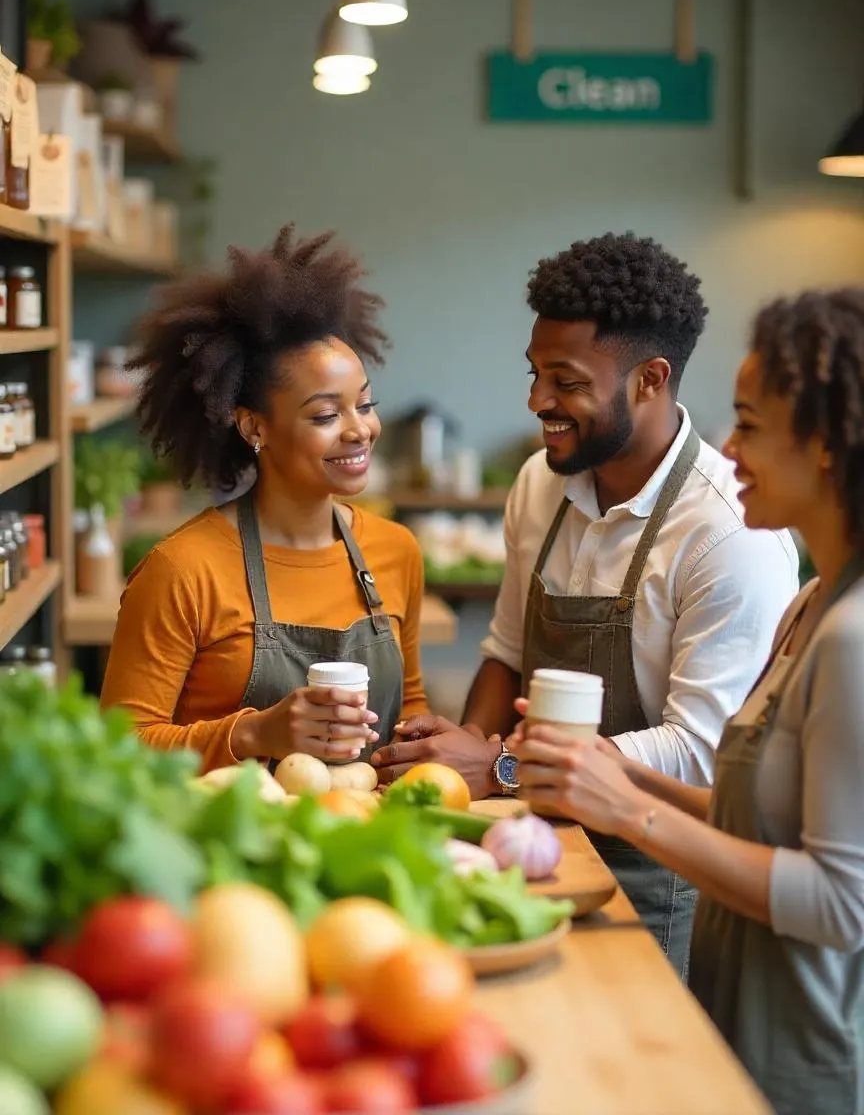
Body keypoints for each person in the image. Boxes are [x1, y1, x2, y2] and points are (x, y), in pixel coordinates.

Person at [372, 233, 799, 974]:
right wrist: (459, 763)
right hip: (535, 851)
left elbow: (702, 757)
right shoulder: (541, 483)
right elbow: (507, 650)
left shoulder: (729, 532)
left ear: (650, 379)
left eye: (565, 381)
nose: (538, 402)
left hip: (660, 882)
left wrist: (501, 766)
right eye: (536, 374)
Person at [512, 288, 864, 1115]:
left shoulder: (851, 638)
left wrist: (632, 815)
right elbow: (756, 815)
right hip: (737, 1017)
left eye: (749, 423)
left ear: (823, 444)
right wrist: (614, 772)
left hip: (807, 1058)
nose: (728, 448)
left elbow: (842, 904)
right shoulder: (809, 608)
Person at [101, 224, 428, 772]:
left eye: (365, 406)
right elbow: (118, 749)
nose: (359, 431)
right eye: (326, 415)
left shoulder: (395, 550)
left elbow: (407, 707)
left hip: (367, 836)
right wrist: (255, 732)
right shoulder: (182, 570)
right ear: (255, 426)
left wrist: (421, 736)